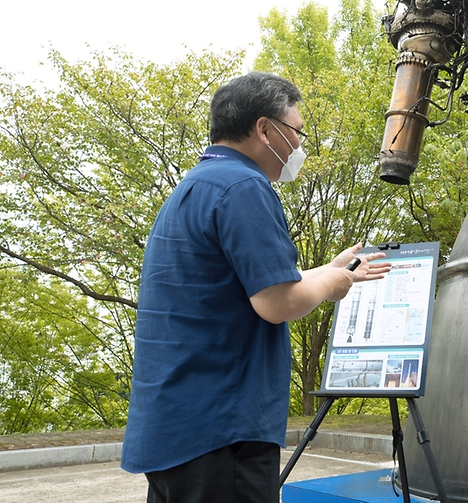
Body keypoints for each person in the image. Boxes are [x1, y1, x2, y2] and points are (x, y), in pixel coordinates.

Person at [120, 71, 390, 503]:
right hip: (223, 433)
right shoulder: (245, 187)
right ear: (265, 129)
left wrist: (331, 269)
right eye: (297, 132)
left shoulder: (196, 185)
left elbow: (250, 287)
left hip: (175, 426)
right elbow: (278, 302)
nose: (300, 145)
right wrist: (334, 284)